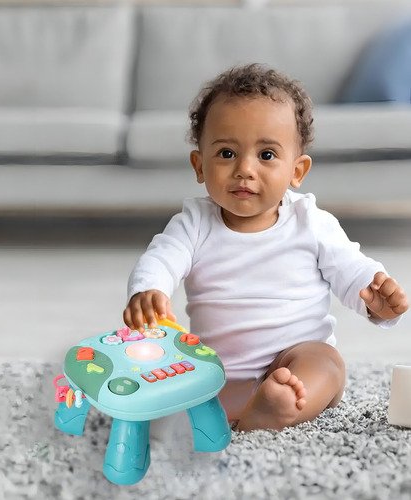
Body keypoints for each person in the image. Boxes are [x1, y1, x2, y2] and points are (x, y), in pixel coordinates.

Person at [123, 64, 408, 432]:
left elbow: (351, 268)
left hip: (297, 357)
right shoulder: (193, 224)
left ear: (297, 171)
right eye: (227, 153)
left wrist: (375, 298)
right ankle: (249, 410)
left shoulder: (310, 221)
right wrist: (149, 290)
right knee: (176, 382)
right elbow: (161, 259)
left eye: (267, 155)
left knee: (327, 364)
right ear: (199, 164)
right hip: (221, 371)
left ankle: (279, 405)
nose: (245, 169)